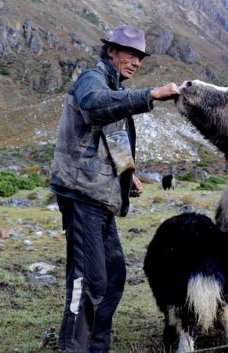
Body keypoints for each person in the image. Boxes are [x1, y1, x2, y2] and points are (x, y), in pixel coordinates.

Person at [50, 24, 181, 352]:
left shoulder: (114, 86)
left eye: (140, 57)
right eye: (131, 54)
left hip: (100, 197)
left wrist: (128, 173)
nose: (136, 62)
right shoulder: (92, 80)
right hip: (81, 194)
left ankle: (97, 346)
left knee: (113, 275)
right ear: (111, 51)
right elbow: (95, 106)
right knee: (87, 279)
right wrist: (150, 95)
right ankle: (73, 347)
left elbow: (113, 135)